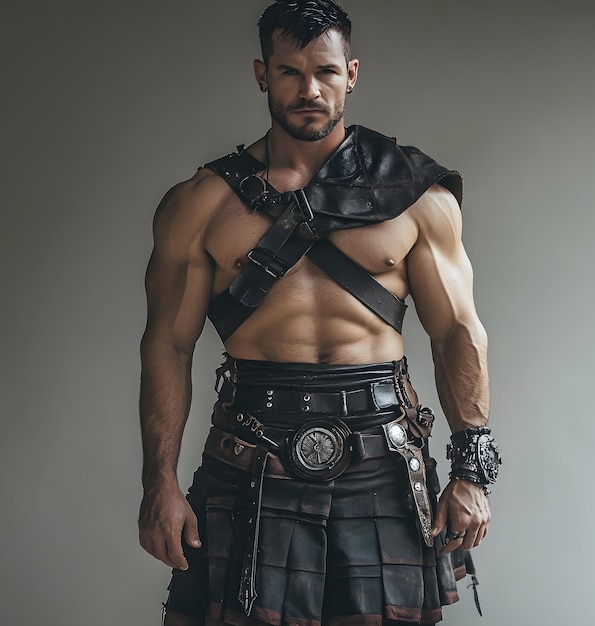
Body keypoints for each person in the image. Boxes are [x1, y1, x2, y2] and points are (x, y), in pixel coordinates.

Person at [139, 1, 500, 625]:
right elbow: (167, 345)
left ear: (351, 73)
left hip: (383, 459)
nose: (310, 90)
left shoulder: (415, 196)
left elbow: (456, 333)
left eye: (326, 72)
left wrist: (472, 471)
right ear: (261, 74)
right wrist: (159, 484)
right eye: (290, 72)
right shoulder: (199, 204)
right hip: (250, 453)